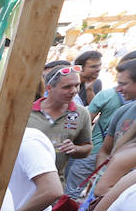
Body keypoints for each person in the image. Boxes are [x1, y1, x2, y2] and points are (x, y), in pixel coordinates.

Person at [28, 65, 92, 198]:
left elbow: (87, 147)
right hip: (23, 181)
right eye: (67, 87)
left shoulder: (81, 114)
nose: (74, 91)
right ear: (49, 88)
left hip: (54, 187)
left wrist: (75, 149)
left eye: (77, 85)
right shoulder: (26, 111)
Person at [95, 58, 136, 169]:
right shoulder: (122, 112)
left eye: (123, 84)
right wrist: (100, 176)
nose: (118, 89)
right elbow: (105, 152)